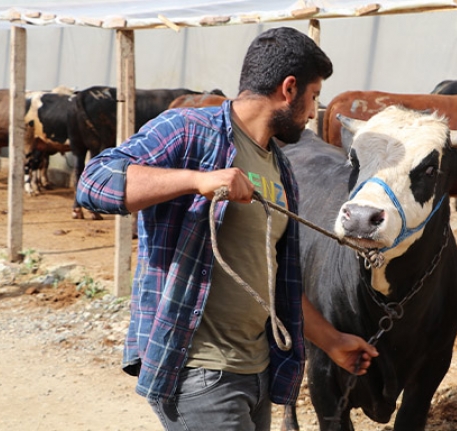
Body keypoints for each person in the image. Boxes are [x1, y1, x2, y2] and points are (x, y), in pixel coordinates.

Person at [76, 27, 378, 430]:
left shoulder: (280, 167)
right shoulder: (188, 130)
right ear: (289, 89)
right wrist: (197, 181)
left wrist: (332, 341)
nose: (312, 112)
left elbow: (273, 280)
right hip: (198, 371)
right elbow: (94, 181)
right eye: (313, 96)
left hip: (255, 371)